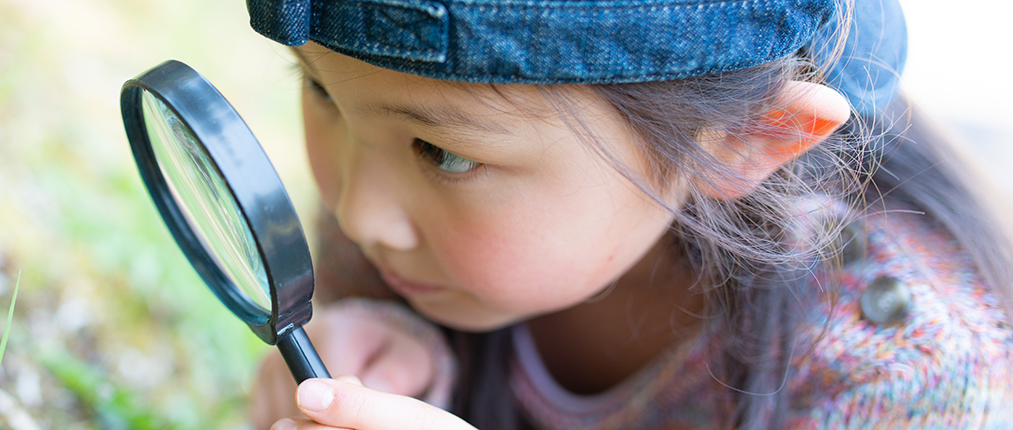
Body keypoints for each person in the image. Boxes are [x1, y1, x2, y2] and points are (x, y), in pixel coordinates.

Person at [243, 0, 1013, 428]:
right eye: (320, 92)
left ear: (742, 141)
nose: (357, 209)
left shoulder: (912, 383)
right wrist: (392, 353)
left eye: (442, 153)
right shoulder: (397, 208)